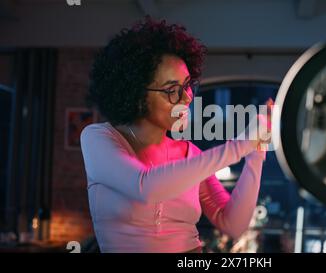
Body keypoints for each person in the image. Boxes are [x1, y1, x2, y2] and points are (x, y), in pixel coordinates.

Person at [80, 16, 272, 253]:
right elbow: (146, 187)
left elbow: (233, 223)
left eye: (188, 85)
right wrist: (240, 146)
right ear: (137, 95)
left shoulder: (191, 155)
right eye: (172, 90)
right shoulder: (99, 138)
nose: (187, 97)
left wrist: (255, 154)